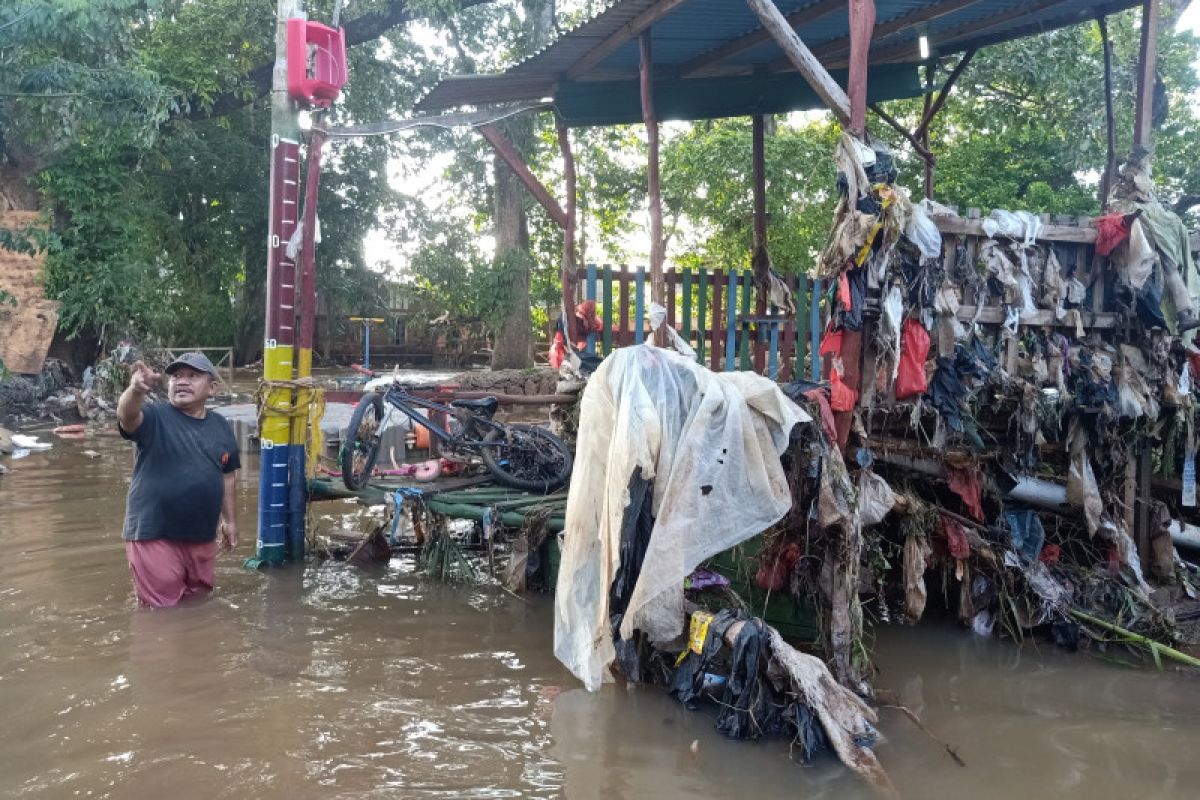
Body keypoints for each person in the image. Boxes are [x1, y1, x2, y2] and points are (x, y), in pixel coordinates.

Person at [116, 352, 241, 607]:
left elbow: (228, 476)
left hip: (201, 536)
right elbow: (127, 418)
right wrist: (135, 391)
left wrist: (230, 521)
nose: (182, 381)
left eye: (192, 376)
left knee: (199, 601)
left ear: (212, 388)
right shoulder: (154, 416)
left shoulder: (221, 426)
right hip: (154, 533)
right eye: (176, 376)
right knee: (163, 612)